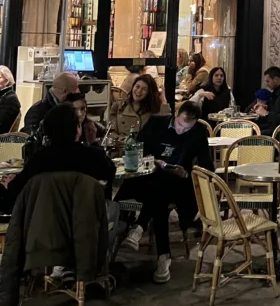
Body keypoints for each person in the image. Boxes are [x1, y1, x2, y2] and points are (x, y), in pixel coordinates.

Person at [118, 101, 213, 284]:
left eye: (187, 128)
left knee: (161, 187)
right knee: (159, 193)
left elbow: (207, 166)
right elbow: (138, 148)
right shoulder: (156, 123)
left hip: (179, 184)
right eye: (180, 124)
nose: (181, 130)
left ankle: (139, 226)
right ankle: (163, 256)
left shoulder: (199, 131)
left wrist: (187, 173)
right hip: (149, 178)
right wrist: (155, 161)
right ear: (176, 115)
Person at [3, 103, 115, 213]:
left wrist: (9, 184)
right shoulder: (91, 156)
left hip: (45, 219)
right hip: (85, 218)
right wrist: (93, 142)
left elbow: (15, 192)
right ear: (77, 128)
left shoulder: (41, 159)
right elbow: (110, 172)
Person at [108, 73, 170, 152]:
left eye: (144, 89)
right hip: (120, 150)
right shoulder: (119, 106)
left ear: (149, 92)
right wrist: (126, 141)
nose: (139, 91)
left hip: (144, 152)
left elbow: (166, 129)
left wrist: (163, 101)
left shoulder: (154, 110)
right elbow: (110, 132)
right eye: (137, 86)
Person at [0, 66, 21, 135]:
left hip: (3, 137)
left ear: (7, 80)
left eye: (0, 77)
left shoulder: (11, 99)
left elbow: (2, 125)